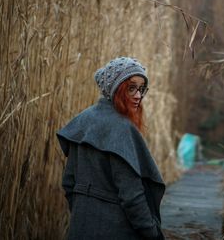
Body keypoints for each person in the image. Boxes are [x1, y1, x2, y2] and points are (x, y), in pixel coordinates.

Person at [57, 57, 165, 240]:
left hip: (80, 228)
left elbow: (69, 182)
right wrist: (153, 234)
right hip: (117, 231)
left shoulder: (83, 121)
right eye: (131, 88)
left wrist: (85, 213)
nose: (138, 95)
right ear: (115, 89)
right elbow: (132, 197)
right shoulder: (121, 129)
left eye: (141, 89)